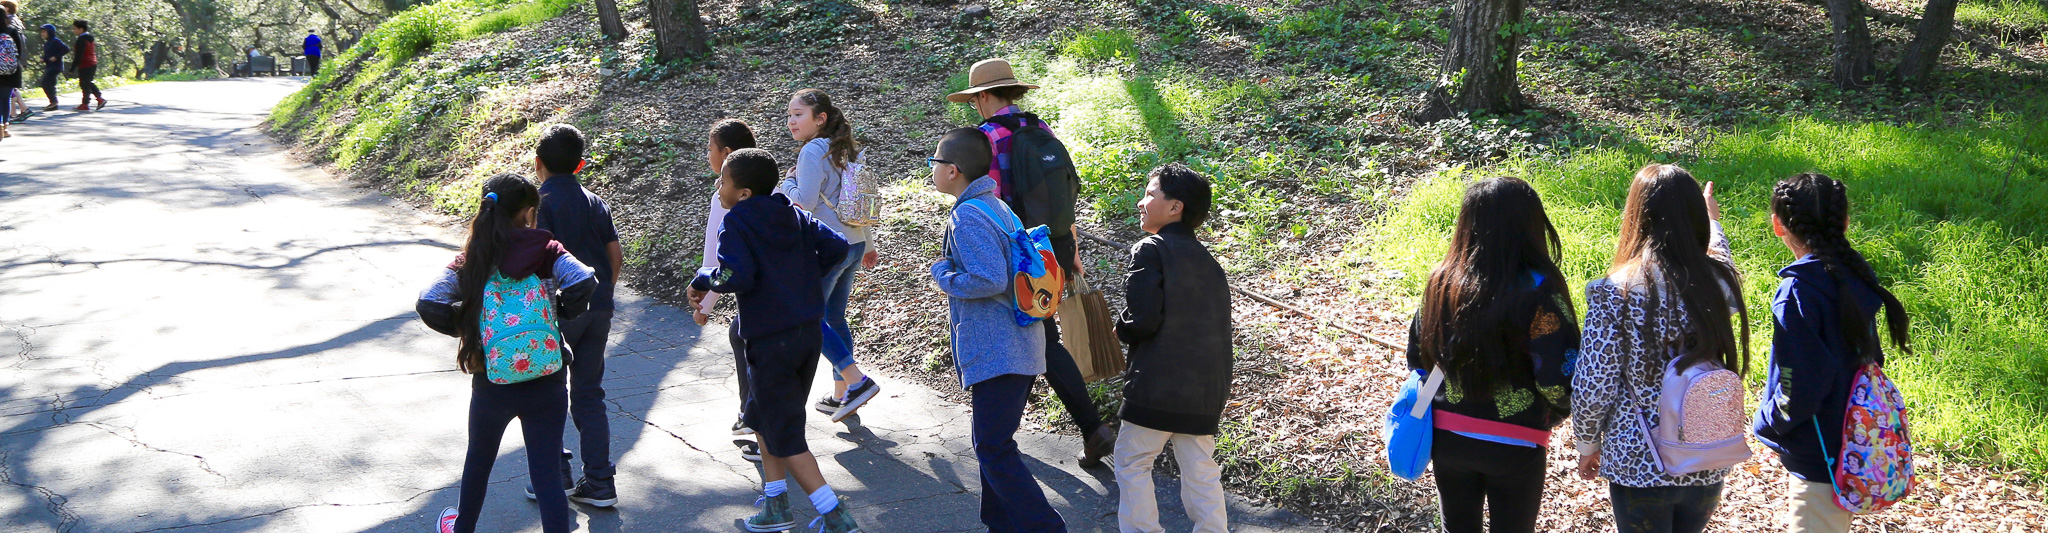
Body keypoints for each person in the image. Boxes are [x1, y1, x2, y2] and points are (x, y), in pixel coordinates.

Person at [948, 57, 1115, 467]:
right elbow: (1063, 194)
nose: (976, 108)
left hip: (1013, 251)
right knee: (1035, 330)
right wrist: (1069, 246)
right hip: (1051, 245)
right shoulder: (1040, 128)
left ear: (984, 96)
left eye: (975, 101)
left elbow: (989, 199)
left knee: (1036, 336)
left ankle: (1080, 428)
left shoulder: (984, 139)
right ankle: (1013, 432)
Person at [687, 148, 861, 533]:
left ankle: (835, 515)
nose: (718, 184)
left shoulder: (736, 222)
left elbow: (737, 275)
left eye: (724, 180)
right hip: (807, 333)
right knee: (763, 417)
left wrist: (704, 279)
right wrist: (797, 278)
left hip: (770, 338)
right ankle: (776, 503)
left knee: (784, 432)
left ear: (744, 193)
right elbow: (835, 247)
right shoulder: (793, 212)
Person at [417, 173, 598, 533]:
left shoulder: (472, 258)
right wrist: (557, 311)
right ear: (529, 212)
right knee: (546, 472)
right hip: (546, 373)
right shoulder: (548, 251)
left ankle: (462, 527)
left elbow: (429, 302)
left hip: (492, 378)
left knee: (479, 461)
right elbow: (583, 281)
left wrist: (475, 328)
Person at [1571, 164, 1748, 533]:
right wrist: (1714, 223)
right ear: (1695, 218)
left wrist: (1587, 443)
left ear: (1637, 216)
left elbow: (1595, 381)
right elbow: (1722, 260)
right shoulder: (1717, 284)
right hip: (1705, 452)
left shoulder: (1613, 292)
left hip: (1639, 457)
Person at [1403, 177, 1578, 533]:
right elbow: (1558, 376)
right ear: (1531, 224)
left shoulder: (1440, 280)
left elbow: (1419, 358)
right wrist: (1556, 414)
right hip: (1516, 442)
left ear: (1468, 224)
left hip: (1448, 438)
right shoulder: (1541, 288)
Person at [1753, 172, 1914, 533]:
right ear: (1845, 221)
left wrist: (1769, 423)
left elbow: (1800, 386)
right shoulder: (1854, 273)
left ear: (1778, 225)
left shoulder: (1797, 291)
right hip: (1855, 440)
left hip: (1819, 452)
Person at [929, 127, 1065, 532]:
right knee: (992, 443)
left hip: (997, 348)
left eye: (935, 163)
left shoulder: (967, 216)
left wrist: (944, 275)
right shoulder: (996, 206)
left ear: (952, 170)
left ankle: (1045, 527)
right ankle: (999, 524)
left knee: (992, 447)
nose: (932, 170)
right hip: (1020, 341)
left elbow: (988, 279)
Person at [1113, 163, 1233, 533]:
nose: (1142, 201)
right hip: (1206, 387)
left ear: (1175, 206)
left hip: (1158, 383)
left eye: (1150, 194)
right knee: (1200, 469)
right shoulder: (1209, 261)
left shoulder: (1151, 248)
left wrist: (1119, 328)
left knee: (1133, 462)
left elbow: (1143, 319)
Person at [524, 124, 623, 508]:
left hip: (555, 313)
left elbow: (536, 261)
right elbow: (614, 255)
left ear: (538, 163)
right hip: (597, 308)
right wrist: (604, 294)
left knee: (547, 393)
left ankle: (556, 474)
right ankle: (599, 481)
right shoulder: (595, 201)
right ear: (580, 164)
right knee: (589, 394)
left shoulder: (537, 205)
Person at [782, 88, 883, 422]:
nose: (791, 121)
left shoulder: (812, 151)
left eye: (798, 114)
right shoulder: (845, 149)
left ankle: (856, 382)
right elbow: (858, 201)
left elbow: (805, 202)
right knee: (834, 317)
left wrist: (786, 183)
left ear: (820, 118)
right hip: (853, 244)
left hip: (828, 248)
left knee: (810, 316)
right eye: (789, 115)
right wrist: (867, 245)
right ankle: (842, 394)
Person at [695, 118, 767, 463]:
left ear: (726, 154)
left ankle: (754, 426)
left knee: (744, 337)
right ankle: (756, 422)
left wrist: (705, 302)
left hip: (759, 299)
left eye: (710, 149)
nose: (707, 155)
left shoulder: (725, 200)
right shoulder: (775, 192)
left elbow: (716, 257)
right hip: (789, 297)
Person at [0, 2, 22, 139]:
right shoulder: (12, 30)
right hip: (10, 71)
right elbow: (19, 51)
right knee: (5, 99)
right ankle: (5, 126)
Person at [69, 20, 102, 111]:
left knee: (85, 84)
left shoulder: (81, 40)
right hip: (92, 62)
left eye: (75, 29)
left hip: (85, 64)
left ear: (81, 29)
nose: (74, 31)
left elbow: (79, 55)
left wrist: (72, 68)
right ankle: (91, 101)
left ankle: (91, 102)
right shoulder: (89, 38)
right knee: (87, 83)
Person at [35, 23, 62, 112]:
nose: (42, 34)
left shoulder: (56, 41)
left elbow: (65, 49)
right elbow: (47, 55)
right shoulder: (47, 43)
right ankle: (53, 104)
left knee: (45, 83)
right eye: (41, 32)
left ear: (50, 32)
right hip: (50, 66)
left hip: (56, 66)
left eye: (44, 32)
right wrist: (43, 58)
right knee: (51, 84)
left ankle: (54, 101)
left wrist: (56, 57)